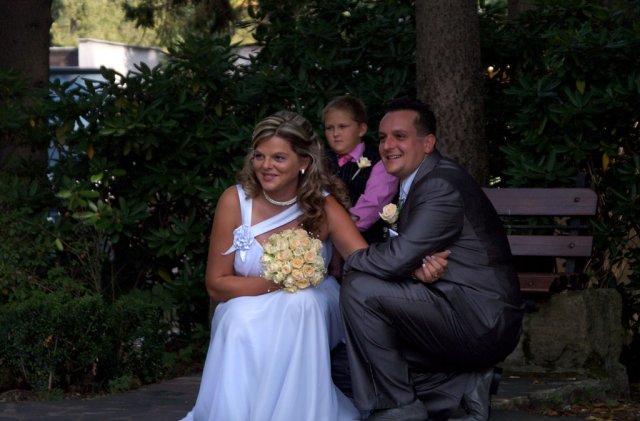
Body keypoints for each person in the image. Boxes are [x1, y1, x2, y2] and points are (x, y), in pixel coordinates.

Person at [181, 110, 448, 421]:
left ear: (304, 162)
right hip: (248, 299)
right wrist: (281, 280)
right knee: (237, 318)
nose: (266, 165)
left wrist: (413, 269)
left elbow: (363, 258)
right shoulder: (234, 201)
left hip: (314, 299)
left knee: (301, 303)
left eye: (279, 157)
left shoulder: (322, 205)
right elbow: (216, 284)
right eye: (259, 156)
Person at [340, 98, 525, 421]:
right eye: (382, 138)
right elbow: (404, 259)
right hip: (441, 306)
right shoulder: (416, 181)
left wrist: (351, 260)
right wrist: (411, 270)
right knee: (340, 365)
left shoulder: (440, 184)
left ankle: (400, 406)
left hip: (478, 320)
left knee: (360, 289)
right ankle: (462, 389)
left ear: (428, 143)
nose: (388, 145)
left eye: (400, 136)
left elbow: (396, 258)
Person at [323, 95, 397, 244]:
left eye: (343, 126)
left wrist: (330, 231)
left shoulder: (380, 164)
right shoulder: (320, 161)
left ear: (362, 129)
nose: (335, 133)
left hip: (363, 245)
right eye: (329, 128)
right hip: (321, 242)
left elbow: (371, 207)